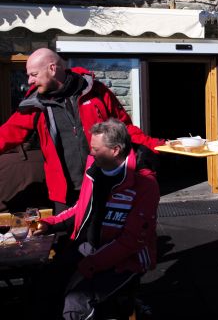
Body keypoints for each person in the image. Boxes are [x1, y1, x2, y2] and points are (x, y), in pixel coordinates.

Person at [0, 48, 163, 212]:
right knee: (67, 237)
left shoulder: (95, 91)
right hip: (65, 194)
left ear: (52, 68)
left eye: (34, 74)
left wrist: (156, 145)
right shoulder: (35, 104)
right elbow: (7, 134)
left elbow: (124, 128)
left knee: (105, 236)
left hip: (103, 183)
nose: (29, 81)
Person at [34, 119, 160, 319]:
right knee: (44, 284)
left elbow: (132, 240)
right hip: (89, 248)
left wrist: (89, 266)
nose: (90, 153)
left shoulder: (144, 184)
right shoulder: (94, 165)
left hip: (127, 259)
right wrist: (50, 224)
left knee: (76, 302)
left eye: (95, 149)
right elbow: (82, 207)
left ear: (115, 150)